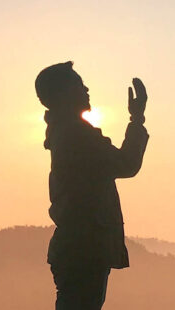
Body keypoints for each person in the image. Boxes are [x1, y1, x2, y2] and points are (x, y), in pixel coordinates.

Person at [35, 61, 149, 310]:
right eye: (79, 84)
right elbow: (126, 164)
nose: (86, 90)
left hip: (76, 250)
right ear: (63, 94)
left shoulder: (64, 132)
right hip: (83, 252)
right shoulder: (77, 135)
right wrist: (137, 119)